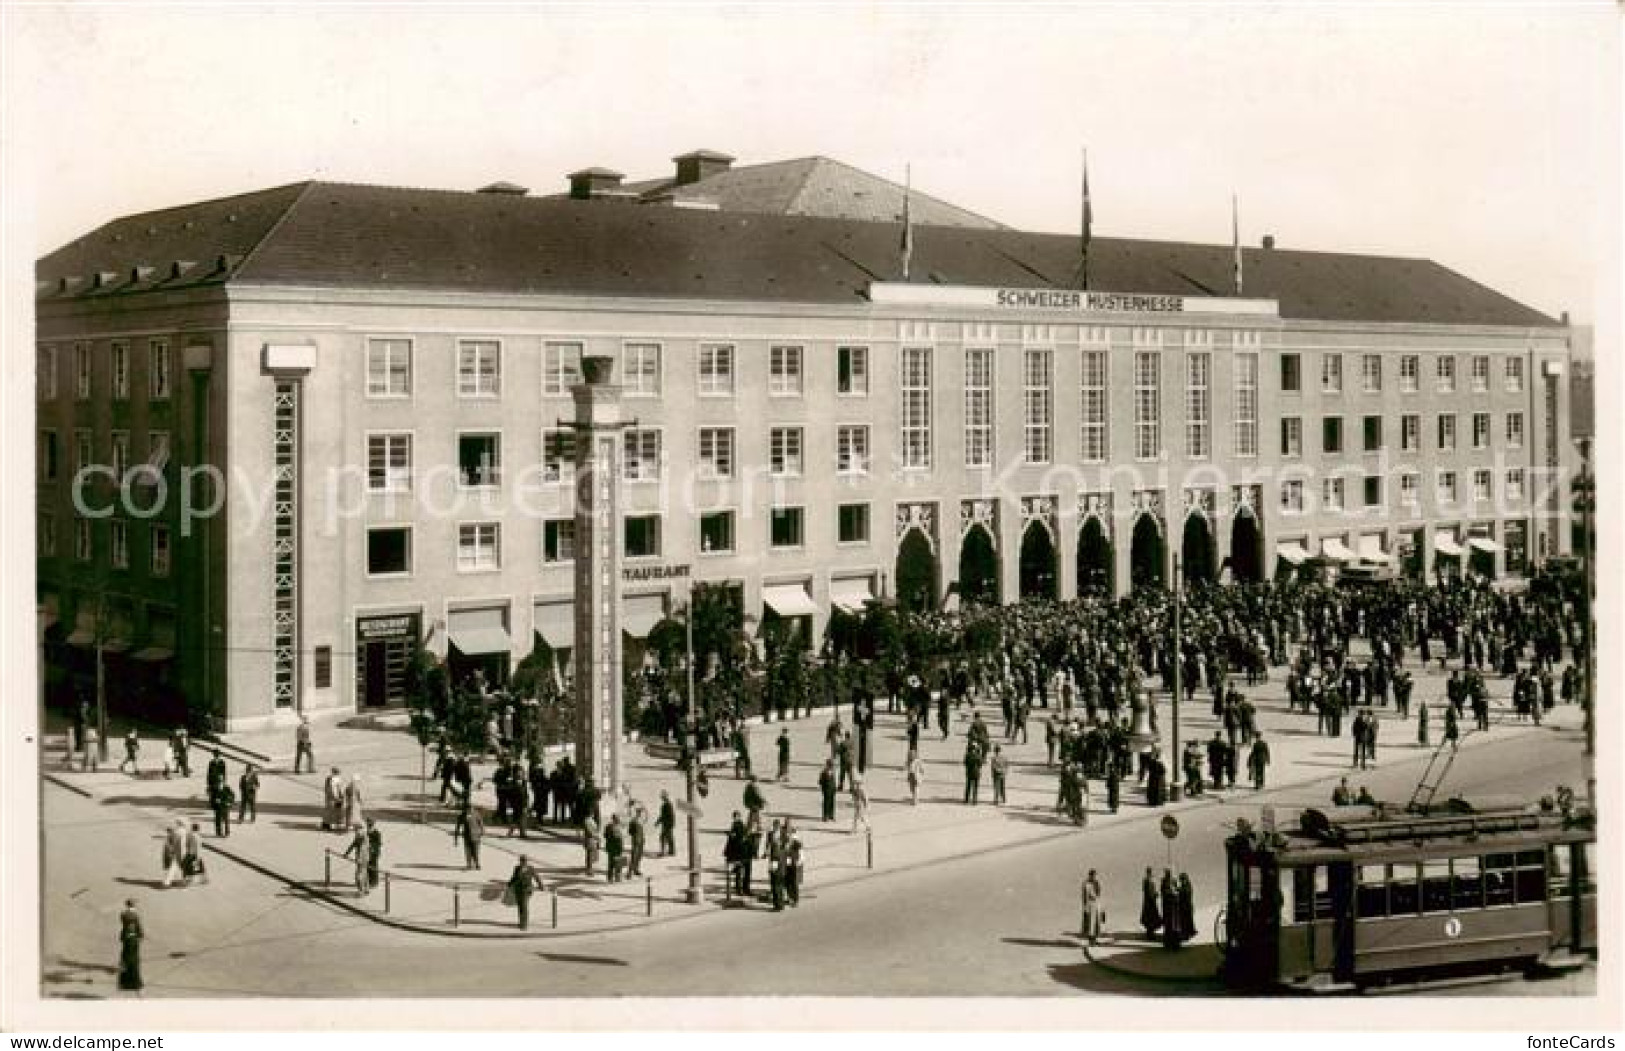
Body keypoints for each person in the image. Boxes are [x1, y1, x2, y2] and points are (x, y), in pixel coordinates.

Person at [507, 856, 544, 929]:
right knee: (520, 906)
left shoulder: (530, 869)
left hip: (527, 890)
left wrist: (540, 885)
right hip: (518, 889)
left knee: (524, 905)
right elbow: (514, 878)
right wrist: (509, 884)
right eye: (521, 861)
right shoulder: (517, 868)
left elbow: (536, 877)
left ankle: (524, 924)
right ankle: (521, 922)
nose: (523, 863)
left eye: (524, 861)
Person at [118, 900, 144, 991]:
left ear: (127, 905)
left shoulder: (123, 914)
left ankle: (124, 983)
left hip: (126, 938)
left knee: (125, 959)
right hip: (133, 940)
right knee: (134, 960)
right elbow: (138, 927)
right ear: (133, 905)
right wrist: (140, 935)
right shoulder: (135, 915)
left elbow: (124, 925)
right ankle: (134, 983)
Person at [342, 824, 370, 894]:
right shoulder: (359, 836)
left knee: (359, 874)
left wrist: (359, 858)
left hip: (363, 858)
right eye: (355, 830)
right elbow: (353, 844)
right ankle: (366, 889)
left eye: (356, 830)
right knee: (364, 873)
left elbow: (362, 848)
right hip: (362, 857)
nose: (355, 832)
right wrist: (347, 853)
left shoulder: (363, 837)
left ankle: (361, 890)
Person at [1081, 869, 1105, 945]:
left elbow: (1099, 894)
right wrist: (1085, 906)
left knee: (1096, 922)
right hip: (1090, 905)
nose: (1094, 877)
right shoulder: (1086, 884)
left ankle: (1095, 939)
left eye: (1095, 875)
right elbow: (1085, 896)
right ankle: (1091, 940)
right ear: (1090, 875)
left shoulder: (1097, 883)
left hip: (1096, 904)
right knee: (1090, 923)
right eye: (1092, 875)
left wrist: (1101, 907)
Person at [1160, 869, 1181, 949]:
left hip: (1174, 909)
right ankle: (1169, 943)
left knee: (1174, 926)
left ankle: (1175, 943)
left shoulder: (1173, 881)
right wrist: (1171, 893)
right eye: (1168, 874)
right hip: (1168, 909)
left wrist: (1176, 892)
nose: (1169, 875)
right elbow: (1164, 893)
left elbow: (1177, 890)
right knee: (1169, 926)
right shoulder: (1164, 882)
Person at [161, 819, 185, 887]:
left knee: (174, 867)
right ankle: (183, 881)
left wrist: (171, 850)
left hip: (178, 851)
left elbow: (173, 842)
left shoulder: (177, 831)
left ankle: (167, 882)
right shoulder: (184, 831)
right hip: (182, 851)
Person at [1140, 867, 1162, 940]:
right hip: (1150, 902)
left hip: (1149, 902)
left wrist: (1155, 894)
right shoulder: (1148, 880)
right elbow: (1149, 892)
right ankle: (1150, 934)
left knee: (1150, 918)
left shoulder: (1147, 880)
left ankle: (1150, 933)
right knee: (1151, 918)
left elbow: (1146, 890)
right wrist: (1155, 895)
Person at [460, 805, 484, 871]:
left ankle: (477, 864)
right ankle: (469, 865)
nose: (469, 810)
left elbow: (481, 823)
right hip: (466, 836)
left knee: (475, 851)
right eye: (467, 809)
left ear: (472, 808)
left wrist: (482, 831)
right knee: (468, 851)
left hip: (475, 835)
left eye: (470, 809)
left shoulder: (476, 814)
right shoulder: (463, 814)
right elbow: (459, 823)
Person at [604, 814, 626, 882]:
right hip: (614, 846)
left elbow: (605, 835)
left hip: (615, 846)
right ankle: (613, 877)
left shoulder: (609, 826)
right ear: (614, 819)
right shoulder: (611, 826)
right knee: (613, 862)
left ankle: (616, 877)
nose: (618, 820)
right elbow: (606, 835)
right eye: (617, 818)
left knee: (616, 862)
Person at [1177, 872, 1197, 944]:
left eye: (1181, 879)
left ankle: (1186, 935)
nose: (1181, 881)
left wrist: (1178, 889)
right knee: (1187, 921)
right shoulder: (1187, 885)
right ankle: (1188, 933)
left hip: (1186, 907)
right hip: (1186, 906)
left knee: (1185, 921)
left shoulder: (1187, 886)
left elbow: (1184, 893)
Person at [627, 803, 647, 877]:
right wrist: (635, 836)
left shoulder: (641, 821)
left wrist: (643, 839)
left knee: (639, 856)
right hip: (636, 840)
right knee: (633, 856)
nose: (640, 814)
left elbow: (642, 831)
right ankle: (629, 872)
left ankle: (636, 869)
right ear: (636, 812)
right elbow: (630, 831)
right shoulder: (633, 821)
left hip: (641, 840)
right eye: (639, 812)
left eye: (640, 812)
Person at [656, 789, 677, 857]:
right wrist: (658, 822)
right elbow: (664, 816)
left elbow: (669, 815)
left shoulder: (667, 805)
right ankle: (672, 851)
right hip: (667, 824)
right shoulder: (667, 804)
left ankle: (663, 853)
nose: (661, 798)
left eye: (662, 796)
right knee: (669, 838)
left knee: (663, 837)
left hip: (667, 824)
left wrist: (670, 824)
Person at [365, 819, 383, 890]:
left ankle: (374, 882)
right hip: (367, 852)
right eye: (368, 825)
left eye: (370, 825)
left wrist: (372, 846)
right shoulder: (366, 832)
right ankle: (369, 881)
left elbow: (379, 843)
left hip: (374, 853)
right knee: (368, 867)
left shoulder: (377, 833)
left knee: (374, 867)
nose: (369, 827)